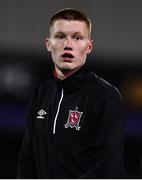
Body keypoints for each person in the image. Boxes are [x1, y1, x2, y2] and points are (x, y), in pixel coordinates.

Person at [17, 8, 125, 178]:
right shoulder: (41, 94)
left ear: (89, 46)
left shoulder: (106, 97)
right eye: (60, 36)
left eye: (77, 37)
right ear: (48, 44)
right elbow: (26, 163)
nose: (68, 45)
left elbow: (108, 170)